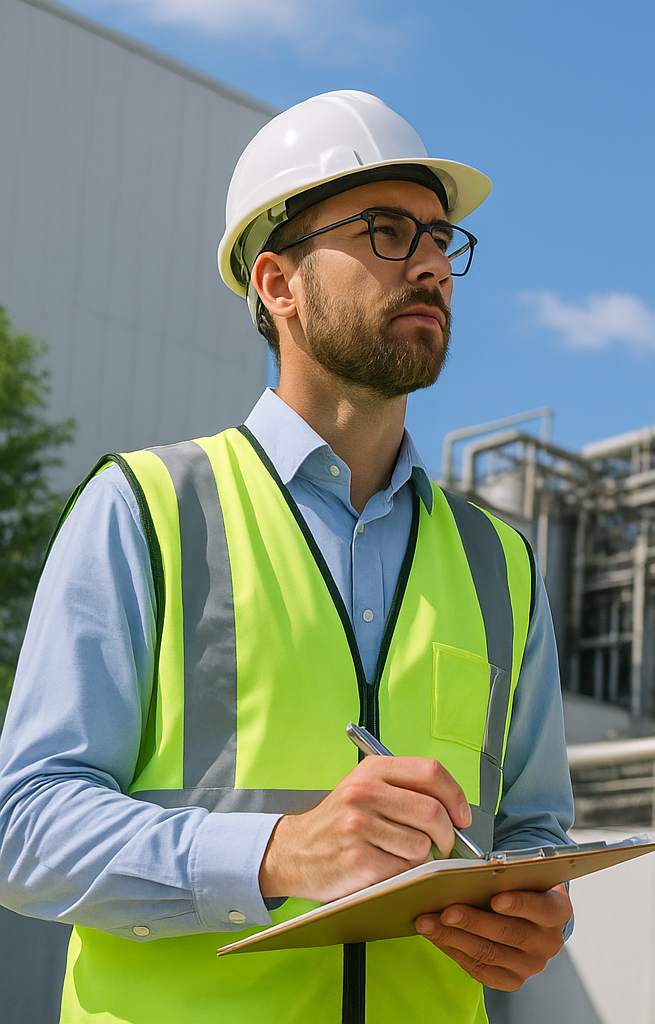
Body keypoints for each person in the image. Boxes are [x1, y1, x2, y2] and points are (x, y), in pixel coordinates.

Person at [0, 91, 574, 1023]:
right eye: (388, 231)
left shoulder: (500, 563)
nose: (432, 262)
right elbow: (24, 829)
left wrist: (532, 918)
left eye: (441, 238)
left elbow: (533, 828)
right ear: (278, 284)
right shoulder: (145, 509)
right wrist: (275, 855)